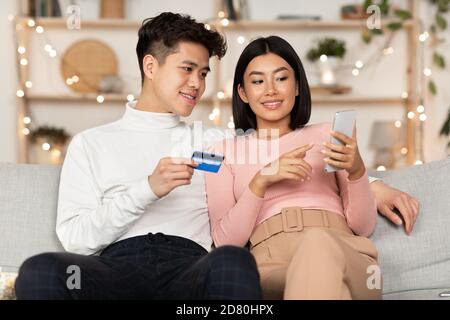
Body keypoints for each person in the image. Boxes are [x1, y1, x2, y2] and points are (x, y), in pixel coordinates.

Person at [14, 12, 261, 300]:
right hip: (113, 273)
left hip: (192, 270)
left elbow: (273, 153)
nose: (197, 84)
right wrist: (147, 190)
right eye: (187, 68)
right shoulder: (91, 144)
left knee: (233, 261)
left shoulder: (215, 140)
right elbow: (76, 240)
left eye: (203, 73)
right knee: (41, 269)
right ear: (151, 66)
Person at [204, 35, 418, 300]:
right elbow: (224, 242)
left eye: (281, 78)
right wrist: (261, 181)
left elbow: (362, 226)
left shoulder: (329, 134)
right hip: (270, 266)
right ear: (243, 93)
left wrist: (357, 172)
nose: (270, 89)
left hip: (346, 255)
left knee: (317, 244)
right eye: (258, 81)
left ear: (296, 86)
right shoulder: (219, 153)